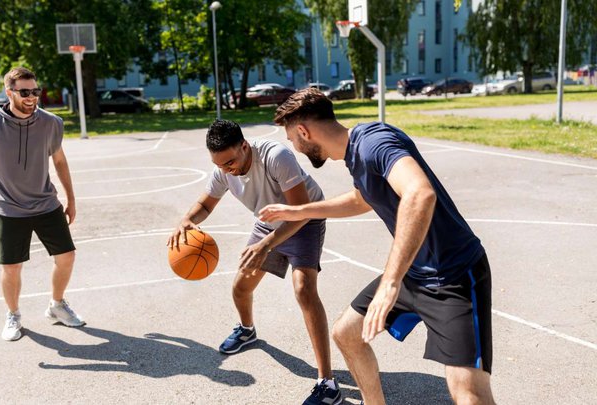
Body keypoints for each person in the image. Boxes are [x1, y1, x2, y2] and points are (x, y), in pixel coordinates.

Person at [260, 88, 495, 405]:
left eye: (292, 139)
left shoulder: (373, 142)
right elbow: (361, 199)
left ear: (303, 131)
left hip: (453, 275)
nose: (295, 147)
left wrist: (390, 282)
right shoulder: (355, 154)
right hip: (415, 272)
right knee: (347, 334)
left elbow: (420, 194)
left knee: (469, 394)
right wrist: (300, 211)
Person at [167, 119, 343, 404]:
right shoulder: (223, 170)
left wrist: (266, 245)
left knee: (304, 289)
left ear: (245, 146)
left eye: (230, 162)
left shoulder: (276, 156)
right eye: (220, 165)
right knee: (240, 287)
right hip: (267, 221)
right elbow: (205, 204)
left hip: (305, 217)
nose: (227, 170)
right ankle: (247, 330)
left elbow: (299, 210)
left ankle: (328, 383)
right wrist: (187, 219)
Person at [0, 67, 85, 341]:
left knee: (67, 257)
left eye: (35, 91)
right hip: (8, 208)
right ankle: (13, 315)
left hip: (46, 204)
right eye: (25, 92)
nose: (32, 97)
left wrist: (70, 199)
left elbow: (59, 161)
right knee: (11, 267)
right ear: (9, 92)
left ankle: (57, 305)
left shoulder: (51, 123)